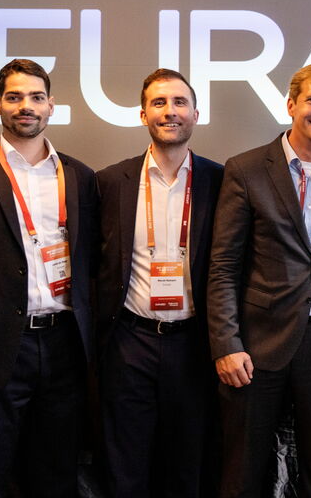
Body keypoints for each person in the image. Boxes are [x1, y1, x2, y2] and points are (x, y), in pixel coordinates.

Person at [0, 59, 97, 496]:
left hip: (65, 348)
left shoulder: (80, 177)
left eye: (36, 97)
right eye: (14, 97)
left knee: (56, 477)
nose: (26, 105)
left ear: (51, 106)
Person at [208, 63, 311, 497]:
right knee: (244, 471)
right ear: (291, 104)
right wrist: (227, 343)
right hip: (257, 344)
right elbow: (223, 265)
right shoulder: (246, 169)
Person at [96, 68, 223, 497]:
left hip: (195, 345)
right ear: (142, 114)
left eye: (180, 102)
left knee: (188, 468)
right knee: (125, 467)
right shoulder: (110, 181)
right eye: (159, 103)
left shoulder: (221, 181)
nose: (170, 111)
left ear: (196, 114)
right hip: (129, 343)